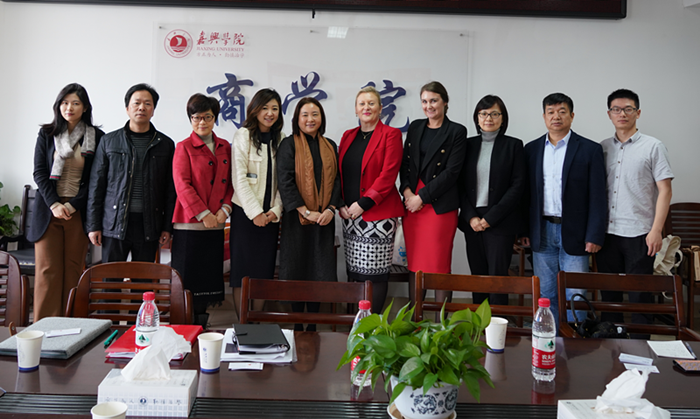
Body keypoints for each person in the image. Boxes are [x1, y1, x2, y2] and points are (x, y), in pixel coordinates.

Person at [522, 93, 607, 327]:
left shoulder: (590, 149)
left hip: (576, 232)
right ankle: (551, 340)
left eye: (561, 112)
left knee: (575, 294)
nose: (556, 117)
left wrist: (594, 235)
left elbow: (598, 196)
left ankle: (575, 341)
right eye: (551, 112)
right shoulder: (531, 149)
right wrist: (525, 230)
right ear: (544, 116)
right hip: (542, 230)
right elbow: (526, 195)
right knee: (546, 294)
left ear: (572, 115)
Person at [596, 89, 673, 330]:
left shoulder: (653, 146)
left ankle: (642, 347)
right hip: (607, 234)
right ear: (609, 114)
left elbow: (665, 191)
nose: (622, 114)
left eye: (628, 109)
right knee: (609, 296)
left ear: (637, 113)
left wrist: (656, 230)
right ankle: (611, 345)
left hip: (640, 233)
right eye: (616, 109)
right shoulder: (602, 148)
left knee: (640, 296)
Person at [29, 83, 104, 320]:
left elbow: (95, 179)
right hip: (49, 209)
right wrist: (54, 204)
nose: (69, 107)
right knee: (47, 271)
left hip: (77, 211)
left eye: (75, 103)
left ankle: (70, 326)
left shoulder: (97, 137)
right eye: (64, 102)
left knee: (73, 270)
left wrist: (72, 205)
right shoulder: (47, 133)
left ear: (85, 107)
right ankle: (43, 327)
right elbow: (39, 172)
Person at [87, 83, 176, 263]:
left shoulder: (165, 144)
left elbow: (170, 190)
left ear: (153, 110)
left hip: (149, 224)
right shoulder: (108, 141)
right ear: (127, 108)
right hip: (114, 222)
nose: (141, 107)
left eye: (147, 104)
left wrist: (167, 227)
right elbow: (96, 186)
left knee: (143, 276)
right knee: (111, 277)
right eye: (136, 103)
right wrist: (93, 225)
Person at [276, 97, 343, 331]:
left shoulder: (330, 145)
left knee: (319, 272)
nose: (310, 119)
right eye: (305, 115)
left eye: (315, 114)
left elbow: (337, 181)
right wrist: (305, 211)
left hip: (324, 220)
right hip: (296, 220)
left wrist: (330, 209)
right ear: (297, 118)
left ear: (321, 118)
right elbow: (285, 181)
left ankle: (313, 324)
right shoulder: (288, 145)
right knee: (297, 270)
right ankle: (297, 324)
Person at [399, 81, 467, 306]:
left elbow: (452, 172)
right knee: (414, 264)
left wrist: (422, 197)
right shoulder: (416, 127)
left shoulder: (456, 131)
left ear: (445, 102)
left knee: (439, 265)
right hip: (412, 205)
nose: (429, 106)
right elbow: (405, 163)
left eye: (434, 100)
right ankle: (414, 317)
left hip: (438, 205)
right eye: (425, 101)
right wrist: (407, 192)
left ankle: (441, 321)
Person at [338, 86, 404, 314]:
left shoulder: (391, 135)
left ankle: (373, 325)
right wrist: (341, 204)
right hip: (349, 216)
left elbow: (388, 175)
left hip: (378, 215)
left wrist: (363, 203)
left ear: (380, 108)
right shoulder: (348, 136)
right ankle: (356, 323)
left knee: (375, 275)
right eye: (362, 103)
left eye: (371, 103)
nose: (366, 107)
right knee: (355, 272)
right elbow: (339, 173)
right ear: (356, 109)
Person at [171, 93, 233, 328]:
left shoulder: (225, 146)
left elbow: (231, 182)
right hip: (190, 224)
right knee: (188, 278)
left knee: (209, 278)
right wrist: (203, 214)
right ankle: (187, 325)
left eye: (207, 117)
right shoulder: (183, 147)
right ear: (190, 119)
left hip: (217, 223)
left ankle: (203, 324)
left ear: (215, 118)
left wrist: (225, 209)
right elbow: (182, 185)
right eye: (196, 117)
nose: (202, 122)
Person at [458, 95, 526, 306]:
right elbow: (459, 185)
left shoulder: (514, 145)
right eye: (484, 114)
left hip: (500, 221)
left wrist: (491, 218)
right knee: (478, 277)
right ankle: (479, 321)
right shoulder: (467, 145)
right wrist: (471, 217)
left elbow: (518, 186)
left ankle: (499, 321)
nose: (489, 118)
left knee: (497, 278)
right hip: (472, 221)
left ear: (502, 118)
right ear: (477, 118)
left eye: (495, 114)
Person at [230, 88, 284, 318]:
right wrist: (255, 213)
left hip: (270, 217)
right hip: (245, 215)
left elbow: (284, 180)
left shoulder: (281, 139)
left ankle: (256, 321)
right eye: (265, 108)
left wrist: (275, 210)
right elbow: (239, 178)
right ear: (255, 110)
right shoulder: (243, 135)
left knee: (263, 272)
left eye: (274, 108)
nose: (270, 113)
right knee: (242, 273)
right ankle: (243, 324)